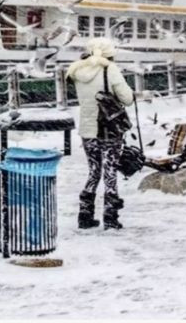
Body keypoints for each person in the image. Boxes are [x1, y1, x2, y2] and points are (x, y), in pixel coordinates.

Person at [67, 37, 134, 230]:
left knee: (94, 171)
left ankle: (85, 216)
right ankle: (111, 218)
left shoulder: (77, 70)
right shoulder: (109, 69)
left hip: (88, 129)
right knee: (110, 171)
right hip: (108, 128)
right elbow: (127, 98)